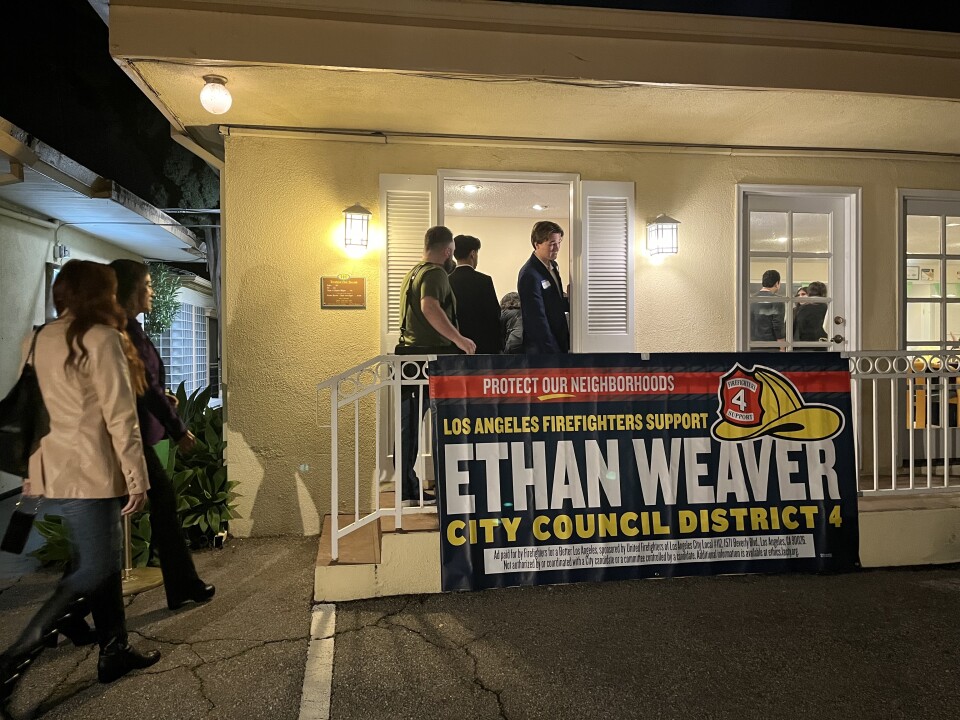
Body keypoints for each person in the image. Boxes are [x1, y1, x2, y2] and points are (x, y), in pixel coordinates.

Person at [1, 261, 160, 709]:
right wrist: (137, 478)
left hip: (54, 471)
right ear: (99, 293)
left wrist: (32, 474)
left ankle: (114, 651)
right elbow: (121, 417)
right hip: (93, 473)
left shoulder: (38, 338)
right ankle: (13, 658)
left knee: (100, 563)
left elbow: (32, 410)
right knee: (92, 568)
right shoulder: (103, 339)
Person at [110, 259, 216, 610]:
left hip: (133, 434)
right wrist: (178, 429)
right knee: (160, 507)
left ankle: (183, 585)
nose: (153, 290)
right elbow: (147, 389)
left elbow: (146, 386)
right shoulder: (121, 332)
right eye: (148, 284)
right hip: (126, 436)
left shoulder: (129, 328)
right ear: (131, 290)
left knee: (158, 508)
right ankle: (71, 606)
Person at [395, 226, 476, 506]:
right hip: (430, 359)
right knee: (442, 422)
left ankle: (406, 488)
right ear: (448, 250)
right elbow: (430, 306)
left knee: (409, 425)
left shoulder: (413, 273)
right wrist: (460, 340)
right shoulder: (436, 273)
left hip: (408, 359)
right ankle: (443, 490)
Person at [518, 221, 569, 354]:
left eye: (559, 243)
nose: (557, 248)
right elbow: (536, 320)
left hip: (559, 342)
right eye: (552, 244)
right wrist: (553, 353)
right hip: (544, 349)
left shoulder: (553, 266)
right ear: (537, 244)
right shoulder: (529, 274)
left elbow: (554, 303)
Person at [448, 235, 502, 354]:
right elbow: (493, 315)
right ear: (473, 254)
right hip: (483, 348)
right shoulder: (484, 281)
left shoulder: (447, 281)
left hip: (455, 347)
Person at [749, 269, 786, 350]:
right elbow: (778, 326)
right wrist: (782, 348)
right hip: (770, 347)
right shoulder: (777, 301)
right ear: (777, 283)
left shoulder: (750, 300)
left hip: (751, 346)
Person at [794, 280, 829, 349]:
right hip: (823, 345)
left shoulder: (802, 309)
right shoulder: (828, 308)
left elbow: (798, 328)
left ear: (809, 293)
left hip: (804, 345)